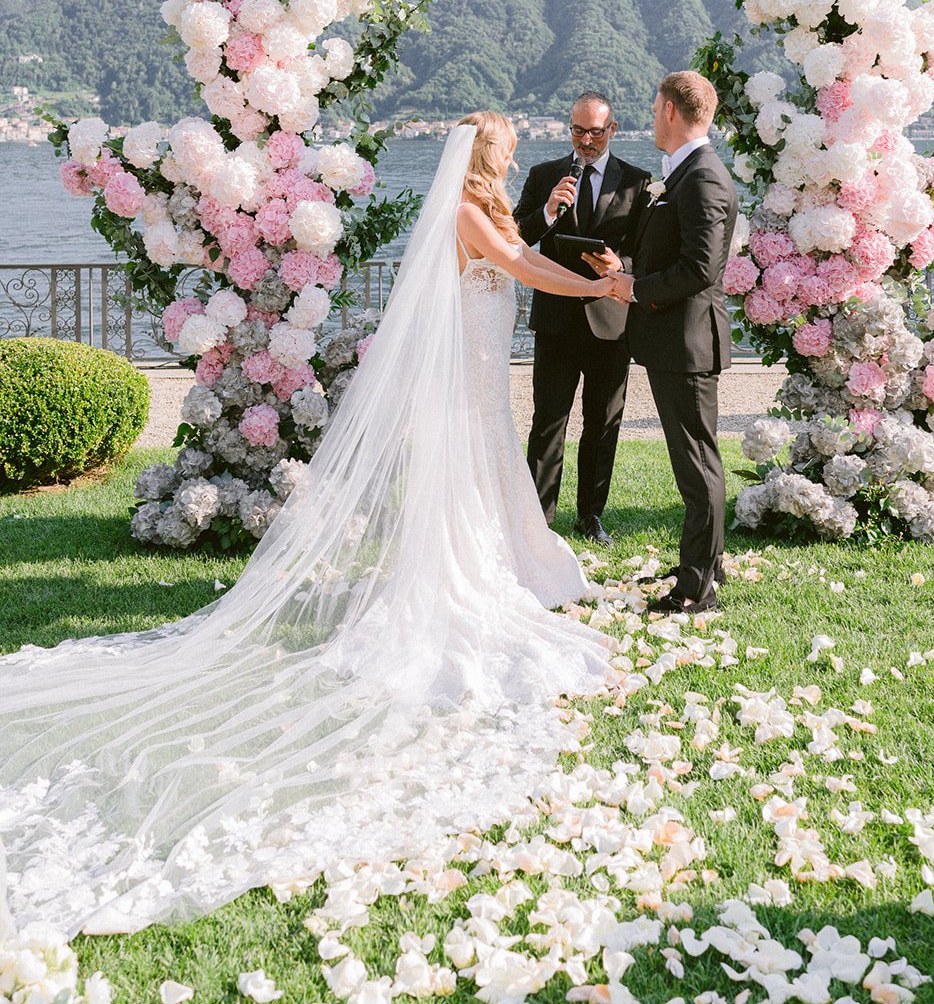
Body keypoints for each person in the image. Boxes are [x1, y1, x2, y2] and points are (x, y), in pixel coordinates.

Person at [0, 115, 616, 939]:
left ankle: (512, 565)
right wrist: (603, 287)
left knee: (492, 470)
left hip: (480, 373)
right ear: (481, 156)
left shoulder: (491, 207)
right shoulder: (469, 216)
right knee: (479, 469)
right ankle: (479, 574)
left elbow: (524, 251)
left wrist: (568, 260)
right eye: (502, 147)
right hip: (468, 377)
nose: (510, 155)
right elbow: (516, 266)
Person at [590, 71, 737, 615]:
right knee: (698, 461)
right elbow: (671, 257)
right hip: (676, 340)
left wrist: (633, 289)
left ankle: (699, 589)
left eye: (655, 110)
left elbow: (701, 269)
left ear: (672, 112)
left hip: (687, 344)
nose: (652, 118)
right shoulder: (686, 175)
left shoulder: (702, 178)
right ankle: (708, 564)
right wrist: (624, 268)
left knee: (697, 467)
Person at [513, 94, 649, 546]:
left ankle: (591, 515)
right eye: (577, 130)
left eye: (594, 131)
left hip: (610, 320)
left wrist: (619, 263)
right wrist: (549, 211)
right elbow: (514, 237)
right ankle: (538, 517)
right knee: (549, 420)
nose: (585, 140)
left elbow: (646, 254)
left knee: (602, 424)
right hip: (555, 319)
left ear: (613, 129)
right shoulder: (544, 176)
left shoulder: (638, 182)